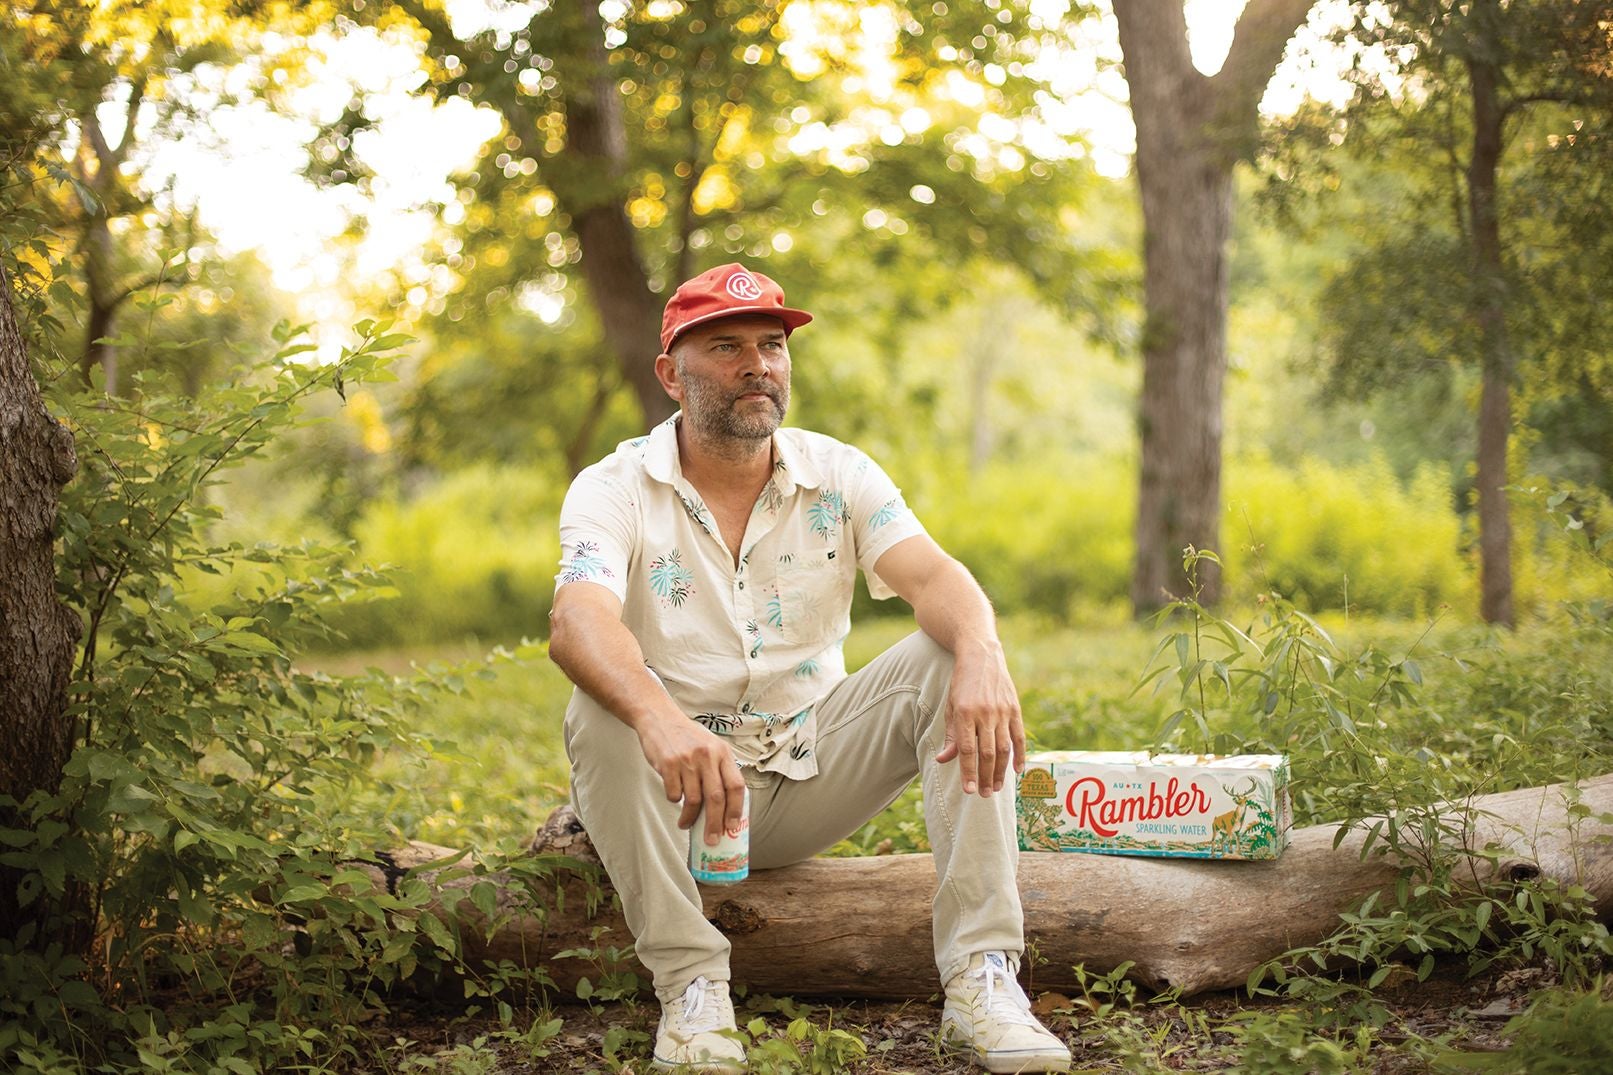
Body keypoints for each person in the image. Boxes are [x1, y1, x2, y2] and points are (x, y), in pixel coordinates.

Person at [548, 263, 1072, 1074]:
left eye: (771, 344)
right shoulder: (615, 487)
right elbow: (577, 621)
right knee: (601, 707)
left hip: (806, 768)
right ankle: (691, 988)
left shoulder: (839, 473)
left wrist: (983, 652)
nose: (757, 364)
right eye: (725, 347)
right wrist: (661, 719)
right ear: (669, 374)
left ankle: (983, 976)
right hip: (676, 792)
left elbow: (934, 577)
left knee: (946, 654)